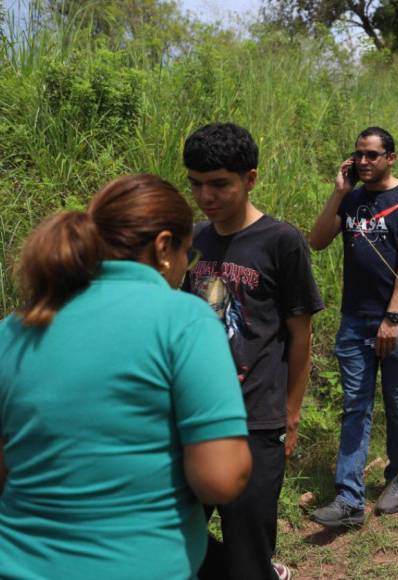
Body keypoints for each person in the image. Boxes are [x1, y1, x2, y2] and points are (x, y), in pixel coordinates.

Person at [0, 175, 252, 579]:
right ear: (164, 247)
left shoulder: (13, 330)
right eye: (188, 251)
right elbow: (220, 478)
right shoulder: (183, 319)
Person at [183, 123, 323, 580]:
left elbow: (300, 334)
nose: (207, 195)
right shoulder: (192, 240)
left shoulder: (281, 242)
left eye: (220, 183)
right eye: (196, 183)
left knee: (248, 545)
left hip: (257, 420)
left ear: (251, 178)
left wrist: (291, 412)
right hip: (195, 418)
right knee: (178, 542)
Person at [308, 127, 398, 527]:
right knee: (356, 405)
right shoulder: (354, 198)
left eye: (372, 155)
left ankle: (397, 477)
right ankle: (349, 500)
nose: (363, 161)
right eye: (358, 154)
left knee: (397, 402)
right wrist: (340, 192)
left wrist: (392, 317)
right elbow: (318, 240)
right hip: (353, 318)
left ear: (391, 157)